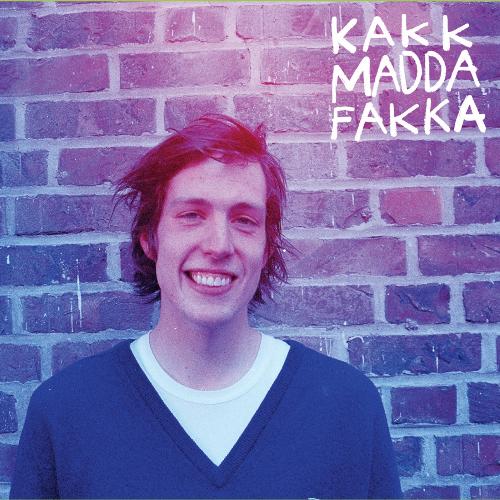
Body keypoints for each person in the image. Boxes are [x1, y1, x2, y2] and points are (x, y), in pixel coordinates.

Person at [10, 115, 401, 499]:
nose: (219, 245)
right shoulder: (65, 412)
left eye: (244, 220)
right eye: (191, 215)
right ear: (150, 239)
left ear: (266, 248)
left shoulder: (347, 407)